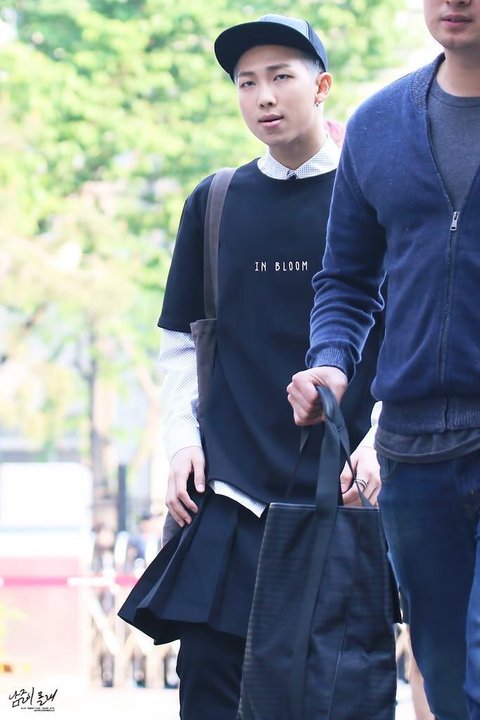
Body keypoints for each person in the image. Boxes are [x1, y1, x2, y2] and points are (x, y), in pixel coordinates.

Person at [119, 14, 384, 720]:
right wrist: (181, 443)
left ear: (322, 86)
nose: (263, 96)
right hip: (230, 499)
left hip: (340, 500)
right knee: (210, 690)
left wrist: (379, 445)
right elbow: (181, 339)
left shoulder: (374, 195)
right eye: (246, 82)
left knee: (331, 698)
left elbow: (411, 334)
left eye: (281, 77)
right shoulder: (215, 202)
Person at [287, 1, 480, 718]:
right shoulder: (378, 125)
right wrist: (332, 363)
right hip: (413, 457)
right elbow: (346, 278)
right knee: (446, 679)